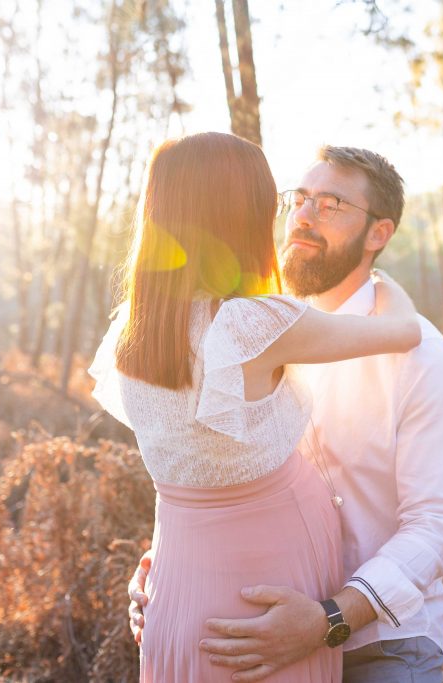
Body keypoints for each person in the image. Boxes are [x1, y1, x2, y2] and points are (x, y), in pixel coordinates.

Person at [88, 132, 424, 682]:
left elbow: (180, 472)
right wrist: (381, 279)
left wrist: (156, 558)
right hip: (266, 599)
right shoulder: (251, 324)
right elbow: (405, 330)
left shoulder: (133, 330)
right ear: (241, 213)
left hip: (178, 587)